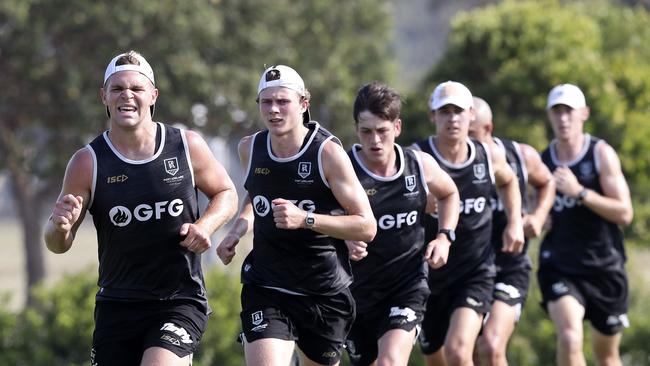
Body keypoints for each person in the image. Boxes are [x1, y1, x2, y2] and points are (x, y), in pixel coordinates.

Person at [43, 50, 238, 365]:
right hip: (117, 305)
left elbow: (226, 193)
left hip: (178, 301)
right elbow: (57, 244)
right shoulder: (87, 161)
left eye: (136, 88)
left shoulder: (186, 146)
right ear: (104, 96)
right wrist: (58, 226)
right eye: (118, 88)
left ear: (153, 95)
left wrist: (205, 227)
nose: (127, 96)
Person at [216, 65, 377, 366]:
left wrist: (306, 219)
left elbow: (367, 226)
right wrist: (237, 231)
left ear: (304, 104)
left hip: (323, 291)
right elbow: (256, 195)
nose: (274, 110)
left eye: (283, 102)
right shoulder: (249, 148)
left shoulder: (327, 154)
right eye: (266, 102)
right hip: (267, 285)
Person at [343, 82, 460, 366]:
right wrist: (343, 237)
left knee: (390, 362)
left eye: (382, 131)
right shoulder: (343, 168)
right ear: (356, 128)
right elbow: (320, 218)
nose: (375, 141)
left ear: (397, 127)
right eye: (366, 131)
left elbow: (449, 193)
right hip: (355, 291)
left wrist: (444, 236)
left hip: (406, 285)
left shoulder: (418, 165)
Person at [412, 81, 525, 366]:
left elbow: (510, 181)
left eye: (458, 111)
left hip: (474, 273)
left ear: (471, 114)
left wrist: (515, 222)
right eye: (444, 111)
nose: (452, 119)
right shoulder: (417, 159)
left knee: (459, 351)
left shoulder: (487, 155)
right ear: (432, 116)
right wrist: (418, 201)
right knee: (436, 358)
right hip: (428, 276)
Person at [538, 83, 633, 366]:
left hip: (604, 267)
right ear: (550, 116)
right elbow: (533, 208)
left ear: (584, 114)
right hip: (560, 266)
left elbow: (625, 214)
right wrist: (539, 216)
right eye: (557, 112)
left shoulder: (601, 154)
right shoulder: (544, 161)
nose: (563, 119)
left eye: (568, 111)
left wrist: (580, 192)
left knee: (607, 356)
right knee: (569, 336)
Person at [469, 97, 555, 366]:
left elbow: (547, 182)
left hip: (509, 266)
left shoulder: (521, 155)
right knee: (468, 352)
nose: (465, 143)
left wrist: (538, 216)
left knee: (492, 344)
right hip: (466, 270)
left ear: (488, 129)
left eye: (472, 135)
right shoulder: (453, 162)